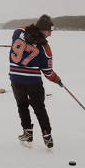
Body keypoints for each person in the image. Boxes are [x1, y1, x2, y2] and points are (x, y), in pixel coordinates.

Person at [9, 14, 62, 148]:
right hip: (33, 82)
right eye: (49, 31)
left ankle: (27, 132)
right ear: (43, 30)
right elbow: (48, 72)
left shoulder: (18, 31)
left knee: (22, 105)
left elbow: (24, 30)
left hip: (16, 78)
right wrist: (57, 80)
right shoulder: (45, 48)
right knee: (39, 108)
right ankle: (47, 136)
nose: (50, 34)